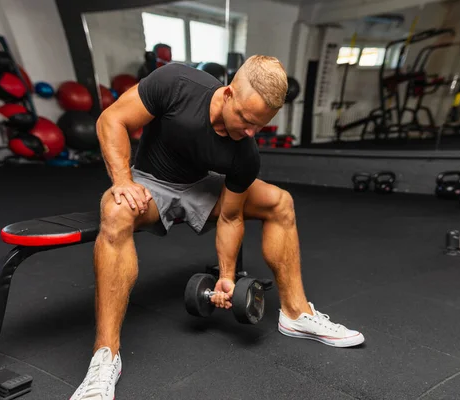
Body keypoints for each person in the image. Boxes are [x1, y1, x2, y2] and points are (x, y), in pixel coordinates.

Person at [70, 55, 365, 400]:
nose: (249, 132)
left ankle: (295, 313)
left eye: (259, 126)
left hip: (202, 186)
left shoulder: (245, 152)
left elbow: (229, 216)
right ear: (227, 94)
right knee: (117, 211)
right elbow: (112, 119)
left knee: (279, 201)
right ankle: (105, 356)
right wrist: (122, 181)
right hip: (152, 183)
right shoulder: (177, 84)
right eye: (244, 119)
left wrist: (227, 275)